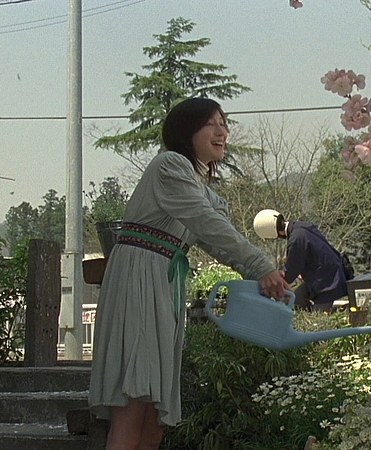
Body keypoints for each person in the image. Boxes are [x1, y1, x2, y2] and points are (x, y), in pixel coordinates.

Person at [88, 98, 290, 450]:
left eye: (224, 124)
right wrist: (261, 267)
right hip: (140, 278)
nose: (222, 131)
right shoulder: (170, 165)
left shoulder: (199, 189)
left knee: (153, 422)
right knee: (133, 406)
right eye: (212, 123)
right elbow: (208, 224)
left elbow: (217, 238)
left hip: (163, 282)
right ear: (187, 131)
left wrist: (261, 276)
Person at [253, 209, 351, 312]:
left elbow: (289, 275)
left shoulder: (296, 240)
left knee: (317, 314)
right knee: (297, 299)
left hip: (327, 285)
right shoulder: (303, 226)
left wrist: (272, 278)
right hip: (332, 275)